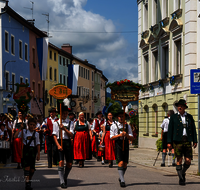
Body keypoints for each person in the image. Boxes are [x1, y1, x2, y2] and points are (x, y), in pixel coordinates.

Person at [167, 99, 197, 186]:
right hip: (177, 141)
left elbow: (193, 130)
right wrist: (169, 142)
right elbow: (170, 130)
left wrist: (195, 141)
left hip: (187, 141)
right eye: (178, 106)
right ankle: (181, 178)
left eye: (181, 106)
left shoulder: (189, 117)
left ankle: (183, 172)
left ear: (184, 107)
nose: (179, 107)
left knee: (188, 161)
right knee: (179, 160)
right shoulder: (173, 117)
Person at [14, 118, 40, 190]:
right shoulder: (24, 132)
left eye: (33, 125)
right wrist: (20, 129)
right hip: (26, 151)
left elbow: (38, 144)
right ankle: (27, 183)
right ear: (28, 125)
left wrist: (38, 154)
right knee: (27, 168)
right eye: (30, 124)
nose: (32, 126)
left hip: (33, 152)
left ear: (35, 126)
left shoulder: (37, 134)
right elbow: (15, 136)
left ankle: (29, 181)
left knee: (32, 170)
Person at [110, 110, 134, 188]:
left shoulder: (127, 126)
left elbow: (132, 137)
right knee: (120, 162)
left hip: (126, 144)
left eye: (123, 116)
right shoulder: (113, 126)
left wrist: (126, 135)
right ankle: (123, 181)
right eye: (120, 116)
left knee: (125, 164)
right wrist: (119, 135)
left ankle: (121, 177)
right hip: (118, 144)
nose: (121, 118)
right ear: (117, 117)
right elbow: (111, 137)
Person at [52, 106, 74, 189]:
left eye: (66, 113)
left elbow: (71, 134)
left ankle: (65, 177)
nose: (65, 114)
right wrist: (58, 145)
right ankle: (62, 182)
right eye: (63, 113)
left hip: (67, 143)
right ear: (60, 114)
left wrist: (64, 129)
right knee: (61, 162)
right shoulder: (56, 122)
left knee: (69, 164)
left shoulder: (71, 123)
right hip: (59, 142)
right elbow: (54, 135)